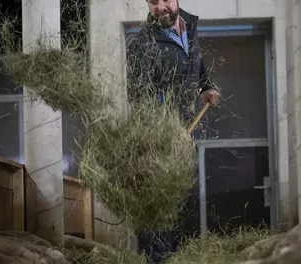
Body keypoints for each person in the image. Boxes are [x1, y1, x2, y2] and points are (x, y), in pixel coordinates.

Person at [126, 0, 221, 263]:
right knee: (161, 203)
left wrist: (206, 85)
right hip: (160, 138)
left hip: (185, 129)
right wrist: (164, 133)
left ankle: (173, 257)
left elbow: (195, 59)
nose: (160, 7)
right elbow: (140, 98)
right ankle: (156, 260)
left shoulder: (189, 25)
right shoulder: (142, 45)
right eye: (153, 2)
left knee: (183, 200)